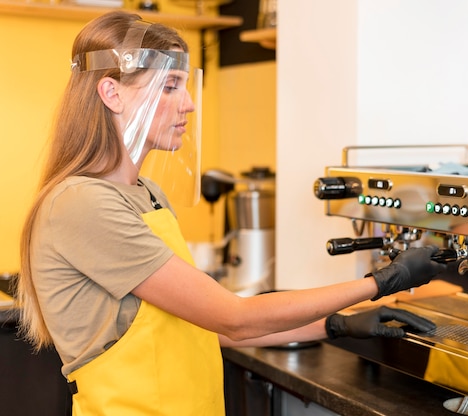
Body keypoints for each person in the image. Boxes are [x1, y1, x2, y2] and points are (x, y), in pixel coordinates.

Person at [16, 11, 446, 416]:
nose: (188, 104)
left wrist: (337, 326)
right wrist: (381, 282)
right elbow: (235, 319)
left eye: (186, 86)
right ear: (111, 93)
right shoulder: (81, 202)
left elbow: (206, 325)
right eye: (169, 87)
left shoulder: (147, 193)